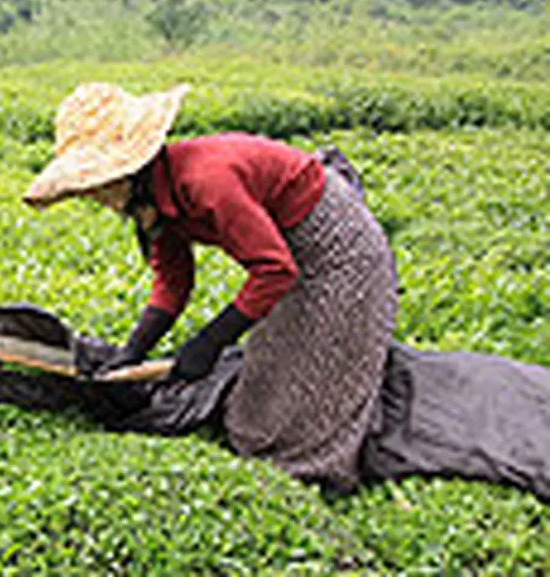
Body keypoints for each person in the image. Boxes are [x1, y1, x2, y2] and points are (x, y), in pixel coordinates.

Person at [22, 82, 397, 493]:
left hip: (340, 252)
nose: (96, 196)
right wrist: (135, 349)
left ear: (130, 169)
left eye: (99, 183)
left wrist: (210, 342)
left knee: (308, 403)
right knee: (260, 401)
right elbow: (174, 282)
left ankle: (323, 471)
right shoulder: (152, 199)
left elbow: (273, 270)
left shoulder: (206, 181)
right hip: (288, 253)